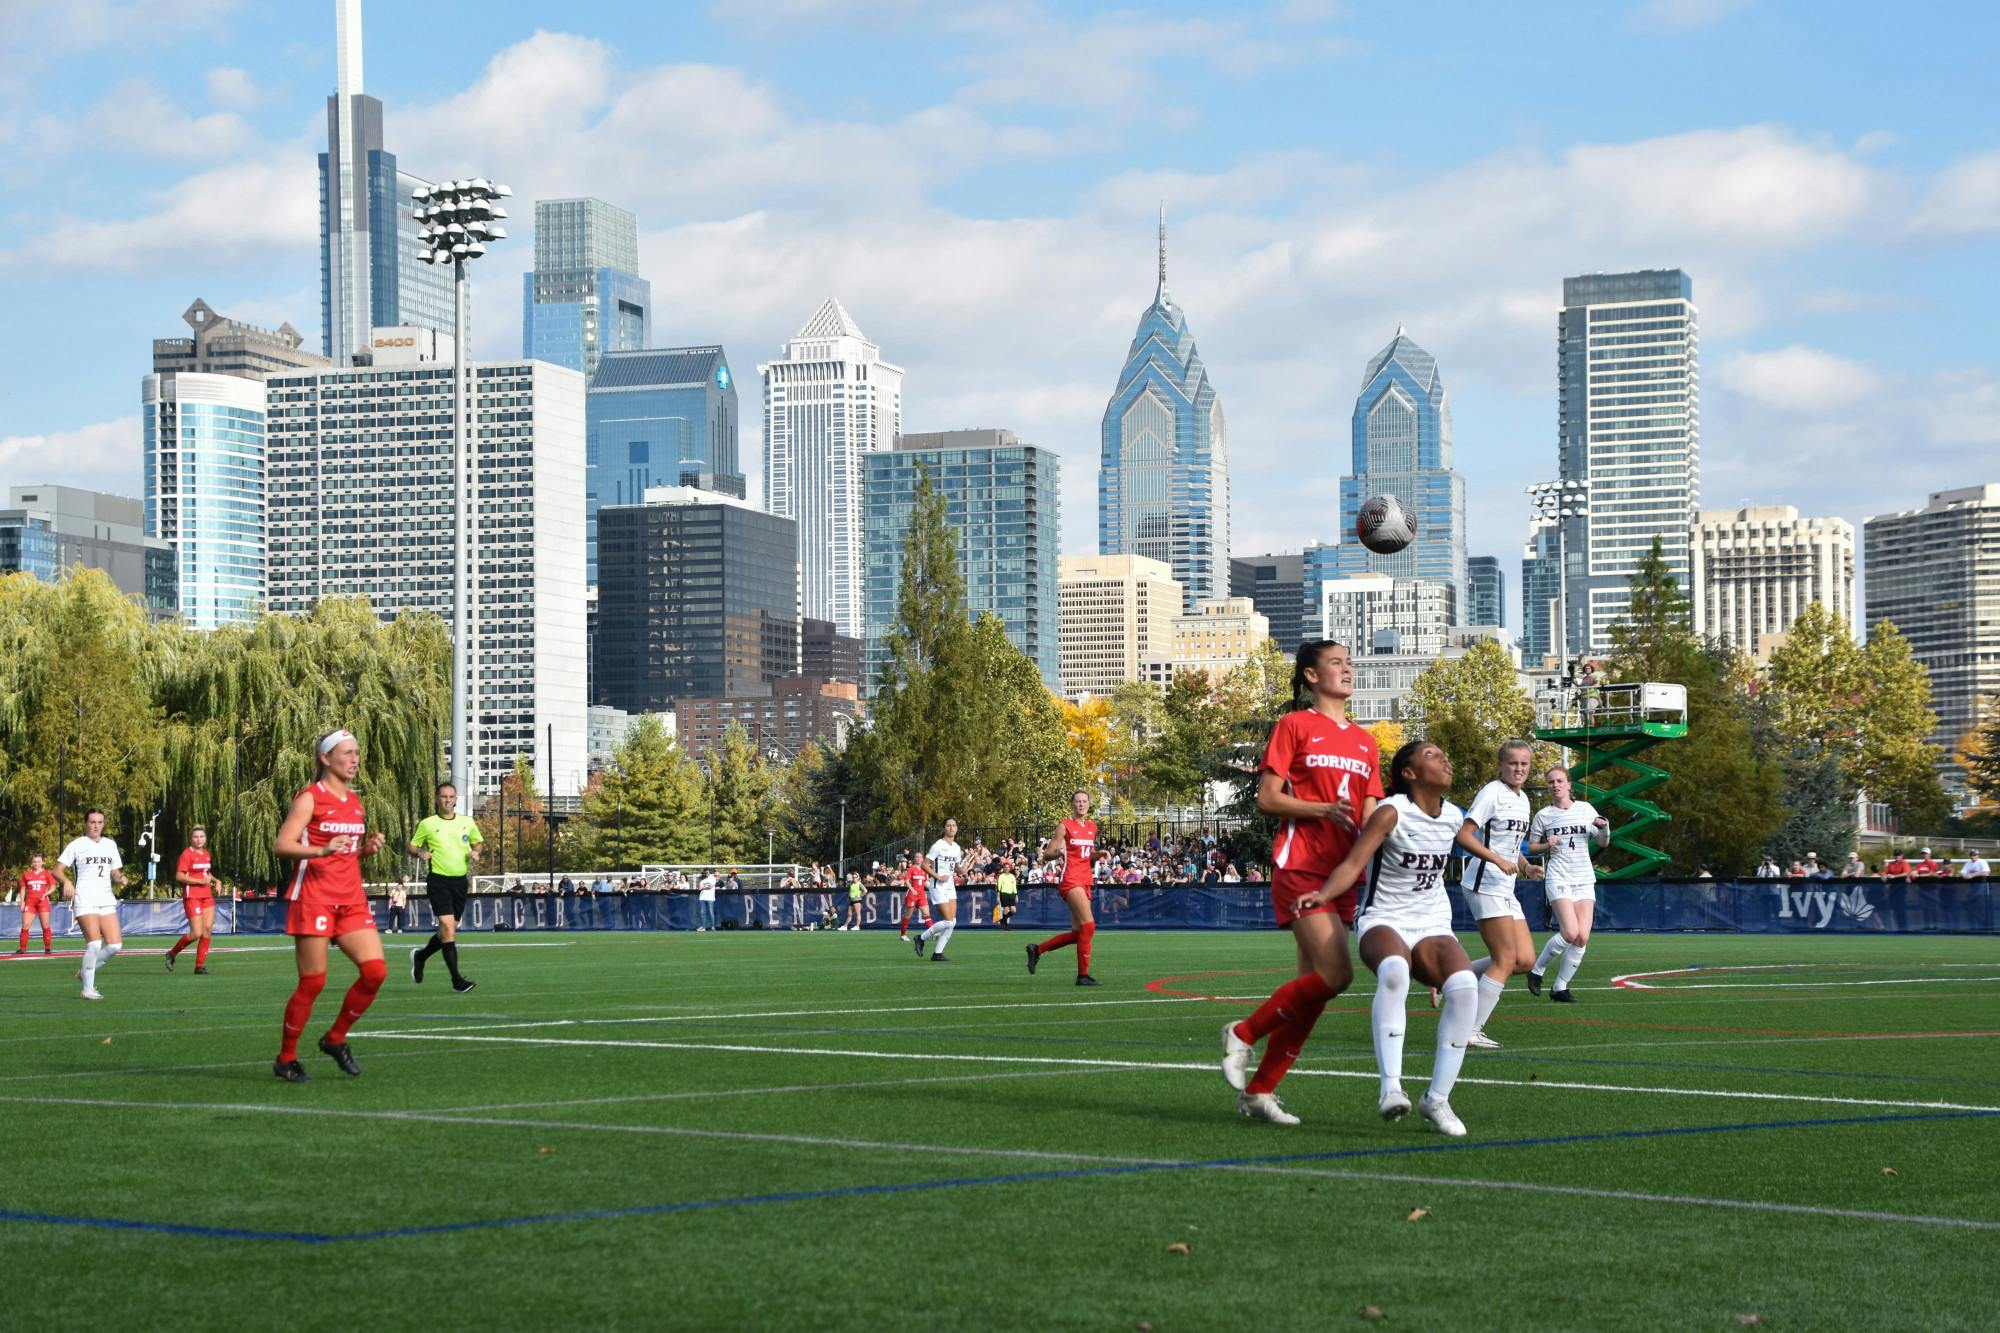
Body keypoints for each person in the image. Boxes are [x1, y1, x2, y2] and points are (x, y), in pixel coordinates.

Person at [1219, 640, 1380, 1127]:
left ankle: (1260, 1091)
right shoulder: (1295, 725)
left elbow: (1371, 815)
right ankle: (1243, 1032)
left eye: (1350, 662)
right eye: (1336, 662)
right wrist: (1321, 809)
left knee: (1317, 988)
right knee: (1338, 976)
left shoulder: (1366, 741)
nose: (1347, 668)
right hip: (1301, 865)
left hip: (1342, 874)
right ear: (1311, 676)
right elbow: (1268, 799)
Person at [1296, 741, 1478, 1136]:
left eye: (1443, 753)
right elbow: (1353, 863)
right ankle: (1390, 1087)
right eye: (1431, 754)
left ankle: (1438, 1100)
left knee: (1464, 986)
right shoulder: (1391, 811)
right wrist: (1323, 895)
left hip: (1432, 921)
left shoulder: (1452, 817)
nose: (1444, 758)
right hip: (1384, 918)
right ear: (1409, 774)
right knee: (1395, 970)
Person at [272, 729, 389, 1081]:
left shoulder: (355, 802)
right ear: (326, 758)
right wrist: (320, 850)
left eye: (356, 752)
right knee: (313, 982)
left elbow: (345, 852)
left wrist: (365, 850)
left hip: (350, 900)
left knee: (375, 972)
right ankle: (286, 1058)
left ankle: (335, 1038)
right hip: (314, 898)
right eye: (347, 753)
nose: (354, 759)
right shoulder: (310, 798)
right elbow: (282, 844)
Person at [1444, 739, 1545, 1051]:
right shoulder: (1492, 792)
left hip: (1505, 886)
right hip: (1484, 883)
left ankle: (1452, 977)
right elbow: (1463, 835)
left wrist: (1525, 866)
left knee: (1525, 960)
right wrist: (1497, 860)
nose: (1518, 769)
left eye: (1524, 764)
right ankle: (1470, 1031)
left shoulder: (1524, 798)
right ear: (1501, 765)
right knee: (1505, 959)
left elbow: (1513, 848)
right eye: (1513, 763)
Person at [1524, 767, 1611, 1003]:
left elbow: (1603, 842)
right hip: (1558, 876)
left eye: (1559, 781)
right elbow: (1532, 847)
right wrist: (1546, 844)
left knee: (1582, 937)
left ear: (1569, 784)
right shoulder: (1543, 815)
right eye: (1551, 781)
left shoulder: (1585, 809)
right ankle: (1536, 971)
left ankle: (1560, 987)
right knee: (1570, 932)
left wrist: (1604, 826)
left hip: (1583, 878)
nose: (1555, 785)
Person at [408, 782, 481, 993]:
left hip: (460, 882)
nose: (447, 800)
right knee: (448, 929)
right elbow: (412, 845)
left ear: (456, 799)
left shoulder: (467, 822)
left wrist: (475, 852)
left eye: (451, 797)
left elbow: (477, 843)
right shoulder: (428, 824)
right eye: (443, 796)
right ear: (437, 799)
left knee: (447, 930)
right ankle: (457, 981)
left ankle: (420, 956)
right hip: (438, 881)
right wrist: (419, 853)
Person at [1027, 789, 1101, 985]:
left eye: (1084, 801)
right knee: (1089, 926)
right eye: (1077, 801)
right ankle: (1082, 976)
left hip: (1085, 880)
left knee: (1079, 933)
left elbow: (1088, 855)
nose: (1081, 804)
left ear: (1089, 804)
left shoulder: (1092, 827)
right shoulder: (1064, 826)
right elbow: (1048, 854)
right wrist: (1058, 853)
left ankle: (1037, 949)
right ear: (1072, 804)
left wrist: (1100, 854)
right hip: (1070, 879)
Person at [56, 809, 127, 1000]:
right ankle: (87, 989)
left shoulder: (110, 845)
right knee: (94, 944)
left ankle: (85, 971)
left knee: (115, 946)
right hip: (85, 898)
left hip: (106, 899)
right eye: (93, 822)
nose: (96, 826)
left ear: (104, 824)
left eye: (100, 822)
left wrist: (120, 878)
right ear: (85, 824)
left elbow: (114, 871)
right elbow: (58, 870)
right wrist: (67, 882)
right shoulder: (77, 845)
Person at [164, 825, 219, 974]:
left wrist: (216, 880)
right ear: (191, 839)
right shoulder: (187, 854)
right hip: (192, 896)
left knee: (207, 930)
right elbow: (179, 876)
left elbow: (206, 873)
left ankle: (199, 966)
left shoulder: (206, 854)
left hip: (207, 896)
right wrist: (201, 882)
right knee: (196, 932)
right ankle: (172, 953)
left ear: (205, 838)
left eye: (201, 836)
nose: (199, 839)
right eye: (195, 837)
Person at [912, 819, 964, 962]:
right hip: (937, 886)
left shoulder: (957, 847)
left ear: (956, 828)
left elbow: (957, 867)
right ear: (944, 828)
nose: (951, 827)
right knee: (948, 922)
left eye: (954, 825)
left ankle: (937, 953)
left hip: (950, 886)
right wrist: (938, 876)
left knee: (952, 922)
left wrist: (962, 870)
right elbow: (924, 864)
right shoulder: (938, 845)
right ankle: (921, 938)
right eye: (949, 825)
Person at [15, 852, 57, 954]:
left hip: (43, 902)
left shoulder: (47, 874)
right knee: (25, 925)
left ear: (42, 862)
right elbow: (23, 889)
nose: (36, 864)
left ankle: (47, 947)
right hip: (30, 903)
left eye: (38, 862)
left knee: (45, 925)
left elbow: (53, 887)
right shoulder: (27, 874)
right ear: (31, 863)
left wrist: (46, 893)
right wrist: (22, 903)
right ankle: (23, 948)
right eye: (34, 862)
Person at [899, 861, 931, 941]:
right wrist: (912, 889)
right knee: (908, 915)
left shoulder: (924, 870)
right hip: (912, 894)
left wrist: (933, 889)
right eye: (917, 857)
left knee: (926, 914)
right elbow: (906, 880)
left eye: (920, 857)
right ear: (915, 859)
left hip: (921, 895)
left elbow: (925, 882)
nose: (918, 859)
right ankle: (903, 935)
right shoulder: (911, 869)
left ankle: (933, 932)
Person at [993, 857, 1020, 929]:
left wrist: (1016, 895)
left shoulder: (1012, 876)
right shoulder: (1001, 876)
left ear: (1010, 868)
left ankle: (1003, 919)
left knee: (1013, 910)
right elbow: (999, 887)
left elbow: (1014, 886)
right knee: (1006, 910)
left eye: (1008, 867)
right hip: (1004, 894)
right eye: (1005, 867)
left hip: (1011, 894)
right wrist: (998, 896)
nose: (1007, 868)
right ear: (1004, 868)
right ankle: (1006, 925)